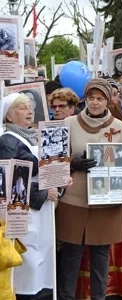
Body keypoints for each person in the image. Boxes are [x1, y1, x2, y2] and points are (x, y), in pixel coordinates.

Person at [56, 78, 122, 300]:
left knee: (101, 254)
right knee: (71, 253)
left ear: (107, 100)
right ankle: (66, 297)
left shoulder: (119, 128)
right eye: (91, 98)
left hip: (105, 199)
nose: (95, 103)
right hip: (75, 198)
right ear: (85, 99)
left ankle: (99, 297)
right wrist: (73, 163)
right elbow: (54, 159)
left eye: (100, 98)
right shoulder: (68, 123)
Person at [0, 93, 69, 299]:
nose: (29, 111)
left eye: (30, 107)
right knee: (27, 258)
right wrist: (42, 193)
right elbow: (10, 182)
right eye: (22, 107)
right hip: (24, 211)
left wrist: (60, 180)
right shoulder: (7, 142)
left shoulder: (32, 136)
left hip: (42, 209)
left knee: (42, 255)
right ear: (9, 117)